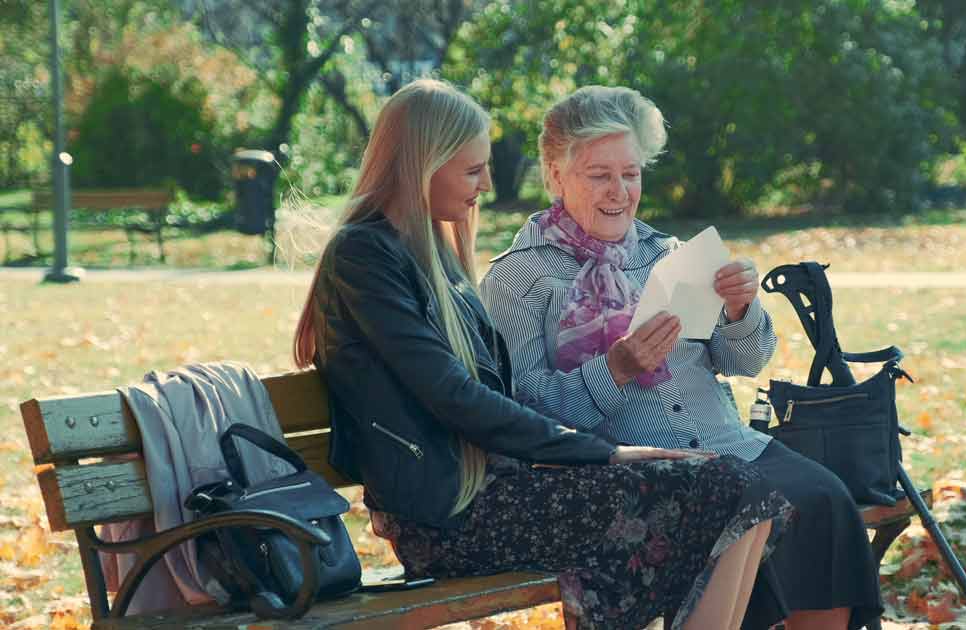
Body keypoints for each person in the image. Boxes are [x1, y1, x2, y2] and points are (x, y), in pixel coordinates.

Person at [291, 78, 793, 630]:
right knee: (726, 488)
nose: (486, 182)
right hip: (447, 513)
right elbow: (454, 397)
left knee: (745, 487)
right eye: (472, 169)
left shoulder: (429, 248)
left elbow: (488, 395)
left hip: (499, 486)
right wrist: (604, 454)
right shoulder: (366, 255)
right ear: (421, 165)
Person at [479, 85, 883, 630]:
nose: (620, 191)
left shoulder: (667, 253)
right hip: (642, 471)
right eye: (600, 174)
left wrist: (742, 310)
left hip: (729, 446)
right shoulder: (519, 277)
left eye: (632, 173)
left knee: (824, 499)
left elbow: (743, 361)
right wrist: (616, 368)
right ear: (555, 175)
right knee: (746, 512)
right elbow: (526, 415)